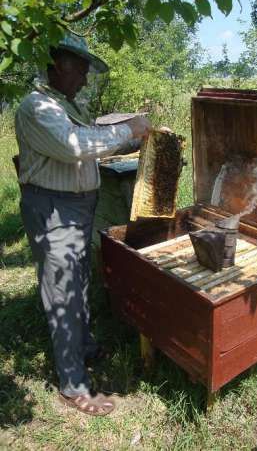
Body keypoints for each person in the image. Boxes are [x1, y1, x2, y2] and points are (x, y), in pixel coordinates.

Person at [15, 33, 151, 416]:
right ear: (59, 64)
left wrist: (135, 140)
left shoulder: (64, 105)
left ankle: (85, 347)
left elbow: (90, 143)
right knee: (62, 290)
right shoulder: (37, 107)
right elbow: (74, 146)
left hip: (77, 207)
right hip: (54, 209)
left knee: (79, 279)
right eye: (82, 70)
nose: (87, 80)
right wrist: (129, 128)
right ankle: (73, 385)